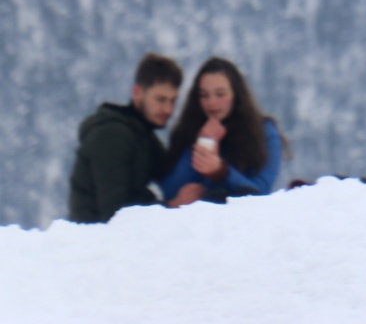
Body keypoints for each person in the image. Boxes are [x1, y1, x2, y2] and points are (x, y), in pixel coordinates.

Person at [67, 52, 183, 223]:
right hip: (93, 243)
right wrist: (171, 206)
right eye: (161, 99)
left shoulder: (142, 135)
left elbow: (172, 176)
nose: (168, 109)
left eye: (173, 101)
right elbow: (116, 214)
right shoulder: (112, 135)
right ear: (137, 92)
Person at [161, 57, 287, 205]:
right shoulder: (188, 131)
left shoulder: (264, 131)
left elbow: (261, 190)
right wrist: (203, 144)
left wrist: (223, 172)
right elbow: (170, 190)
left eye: (220, 94)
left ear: (236, 94)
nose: (211, 102)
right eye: (204, 95)